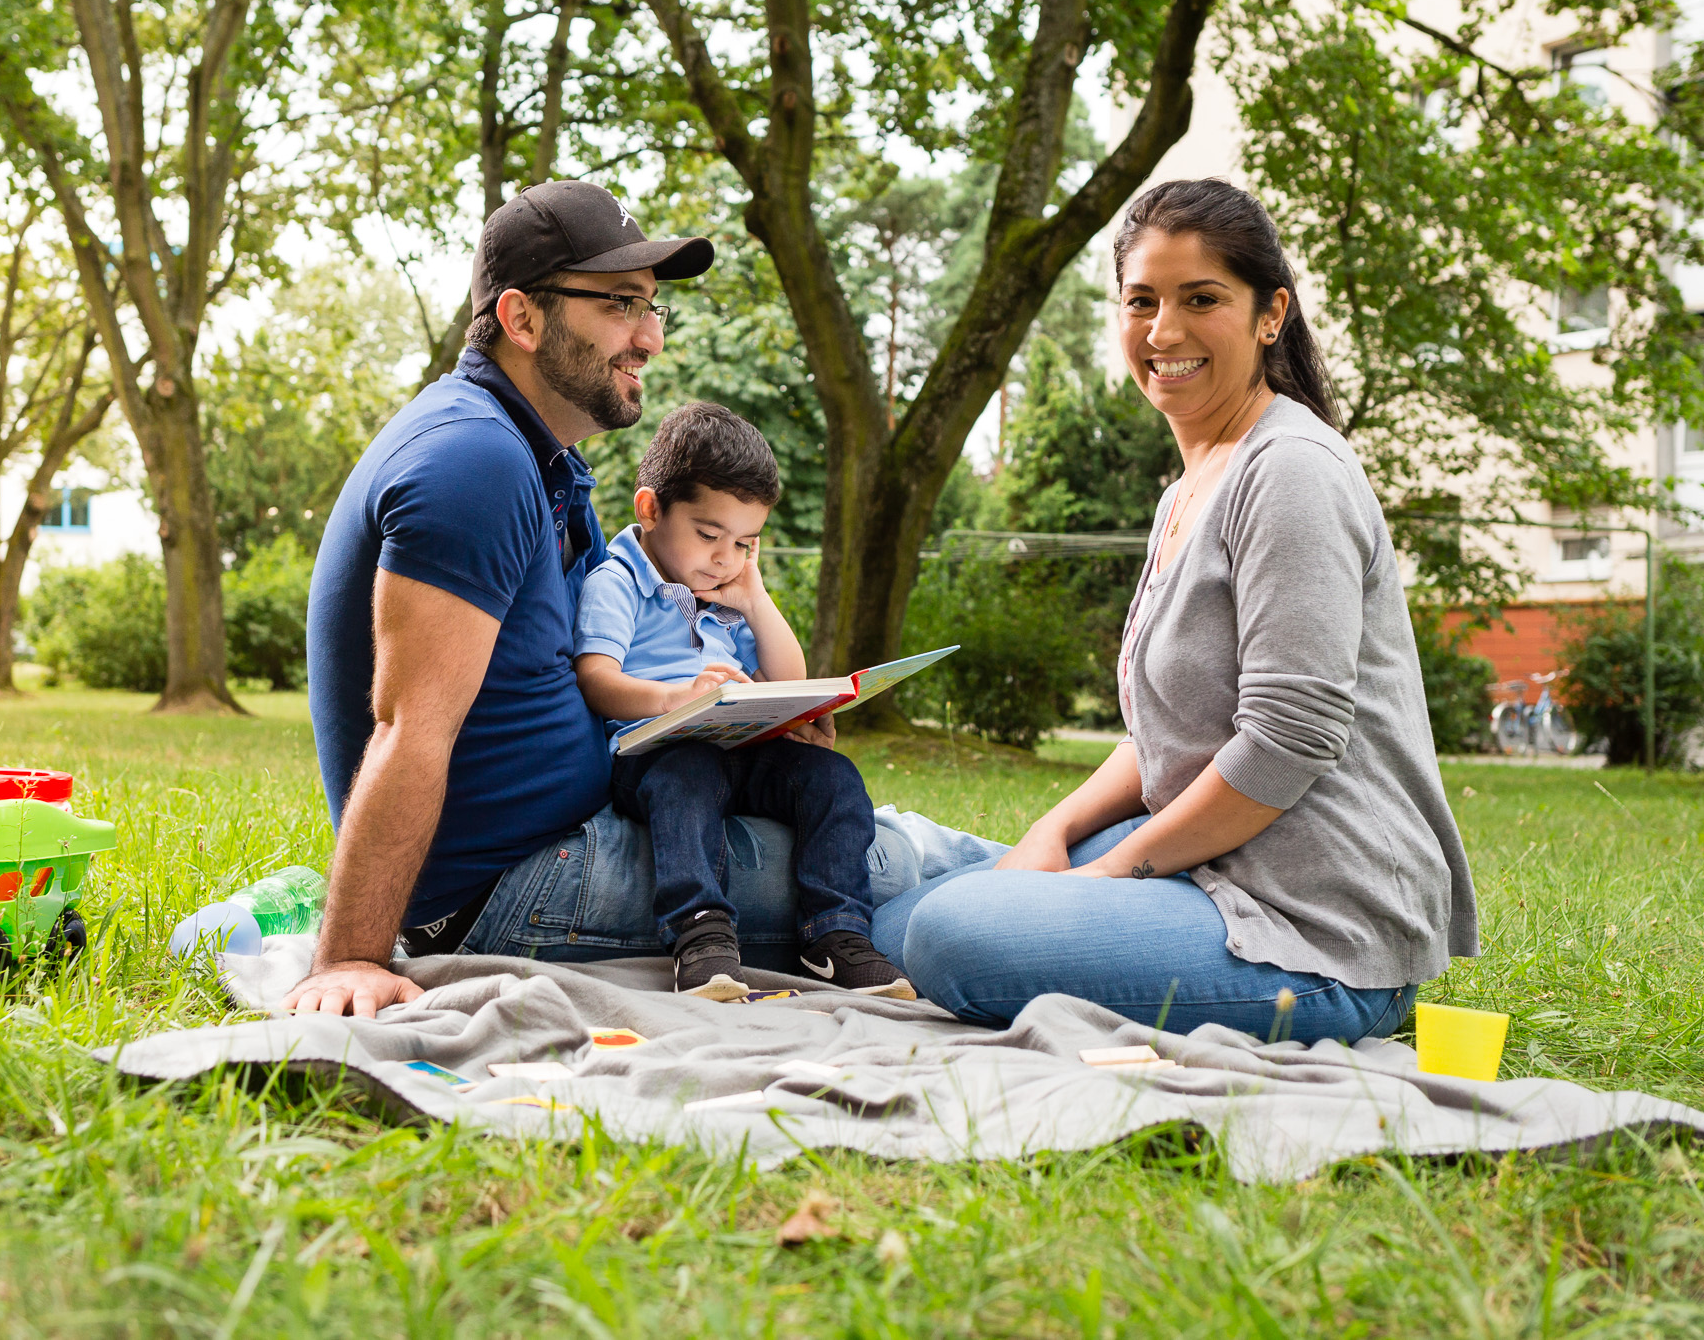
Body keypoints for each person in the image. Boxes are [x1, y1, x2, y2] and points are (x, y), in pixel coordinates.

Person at [286, 181, 999, 1017]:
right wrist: (350, 957)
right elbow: (410, 725)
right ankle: (1129, 877)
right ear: (522, 318)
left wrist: (751, 718)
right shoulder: (472, 461)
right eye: (622, 304)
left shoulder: (537, 458)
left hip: (592, 832)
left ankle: (1116, 859)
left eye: (655, 308)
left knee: (878, 835)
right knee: (905, 870)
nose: (652, 338)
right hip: (516, 889)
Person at [871, 178, 1479, 1042]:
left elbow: (1289, 736)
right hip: (1204, 872)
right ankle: (952, 864)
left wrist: (1113, 870)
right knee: (896, 917)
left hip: (1317, 937)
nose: (1163, 332)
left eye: (1201, 299)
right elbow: (1168, 732)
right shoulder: (1190, 488)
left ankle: (965, 873)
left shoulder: (1291, 470)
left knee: (944, 934)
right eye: (1141, 300)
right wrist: (1055, 830)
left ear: (1272, 314)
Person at [573, 402, 913, 1000]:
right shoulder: (618, 580)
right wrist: (676, 697)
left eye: (746, 543)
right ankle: (700, 935)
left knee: (832, 777)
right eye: (709, 535)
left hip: (735, 745)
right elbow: (595, 679)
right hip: (656, 754)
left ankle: (835, 936)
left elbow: (787, 675)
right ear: (651, 509)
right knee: (688, 776)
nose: (725, 557)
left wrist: (756, 600)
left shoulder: (728, 589)